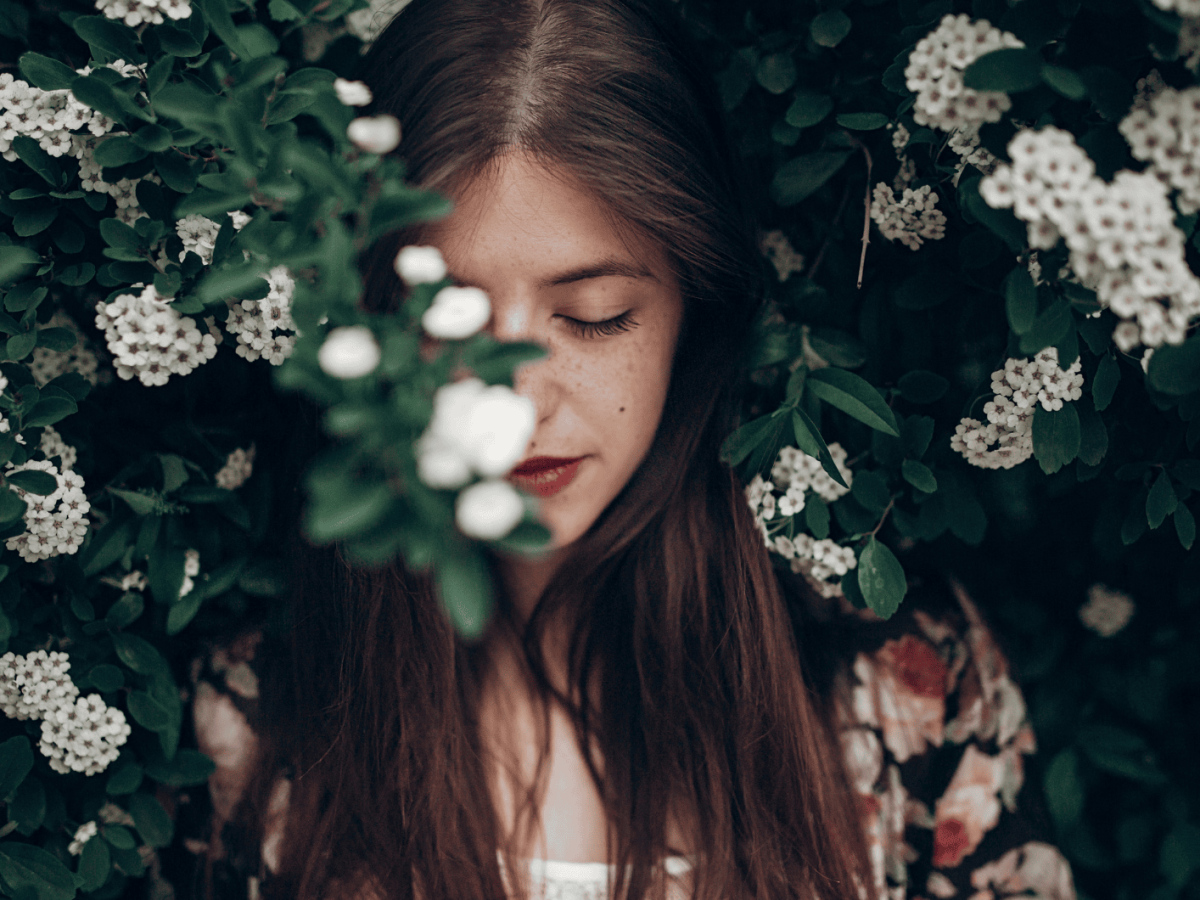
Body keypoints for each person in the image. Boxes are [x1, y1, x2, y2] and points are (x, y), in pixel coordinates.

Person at [179, 1, 1080, 899]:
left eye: (595, 317)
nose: (517, 405)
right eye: (448, 322)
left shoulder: (906, 678)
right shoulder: (254, 718)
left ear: (695, 309)